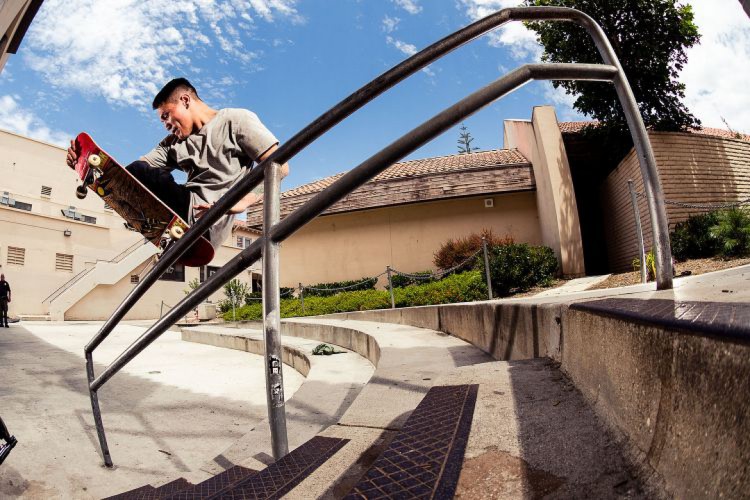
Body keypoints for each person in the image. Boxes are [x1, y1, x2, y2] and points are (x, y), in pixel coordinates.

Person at [66, 77, 289, 251]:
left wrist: (239, 203)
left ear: (184, 100)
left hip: (209, 221)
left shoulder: (235, 121)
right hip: (182, 211)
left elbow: (280, 167)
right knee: (137, 170)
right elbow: (130, 174)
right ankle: (159, 228)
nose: (165, 125)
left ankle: (164, 225)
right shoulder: (172, 144)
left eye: (166, 116)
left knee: (140, 173)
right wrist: (88, 163)